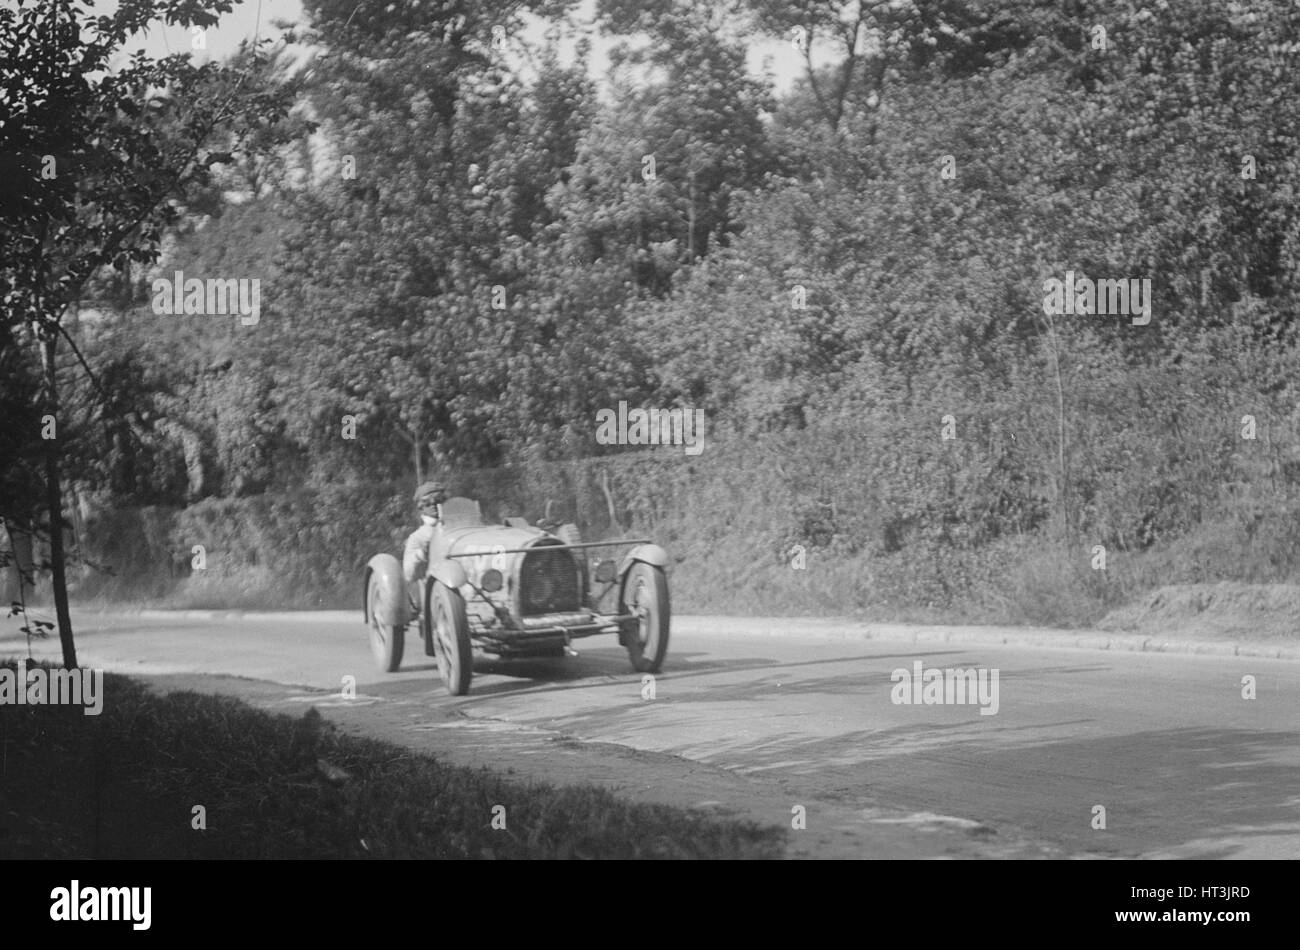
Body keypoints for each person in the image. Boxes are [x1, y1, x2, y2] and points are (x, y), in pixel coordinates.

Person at [403, 480, 447, 611]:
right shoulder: (417, 537)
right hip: (434, 591)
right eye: (428, 502)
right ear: (421, 507)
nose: (433, 505)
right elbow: (409, 574)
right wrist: (421, 554)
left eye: (439, 500)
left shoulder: (458, 528)